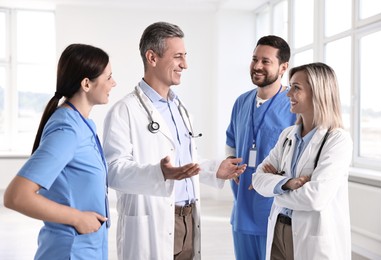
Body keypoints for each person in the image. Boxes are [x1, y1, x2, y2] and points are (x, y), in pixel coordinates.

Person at [103, 21, 246, 260]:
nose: (185, 64)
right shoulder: (124, 111)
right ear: (152, 57)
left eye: (185, 56)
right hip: (153, 220)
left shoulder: (179, 109)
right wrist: (159, 173)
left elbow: (184, 163)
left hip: (189, 219)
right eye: (178, 56)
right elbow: (113, 171)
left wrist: (213, 169)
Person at [3, 43, 116, 260]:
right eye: (108, 77)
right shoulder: (67, 130)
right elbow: (16, 196)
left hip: (87, 249)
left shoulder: (83, 125)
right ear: (86, 84)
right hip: (69, 252)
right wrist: (77, 218)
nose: (114, 83)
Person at [252, 62, 352, 260]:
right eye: (289, 88)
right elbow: (257, 179)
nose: (288, 95)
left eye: (296, 88)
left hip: (311, 237)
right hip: (279, 228)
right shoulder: (287, 135)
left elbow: (315, 198)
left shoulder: (337, 139)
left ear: (318, 92)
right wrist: (288, 183)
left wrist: (276, 190)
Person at [225, 35, 296, 259]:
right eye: (254, 59)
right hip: (243, 207)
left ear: (283, 67)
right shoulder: (241, 102)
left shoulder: (293, 105)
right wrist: (231, 164)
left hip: (275, 209)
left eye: (266, 61)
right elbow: (231, 141)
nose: (257, 66)